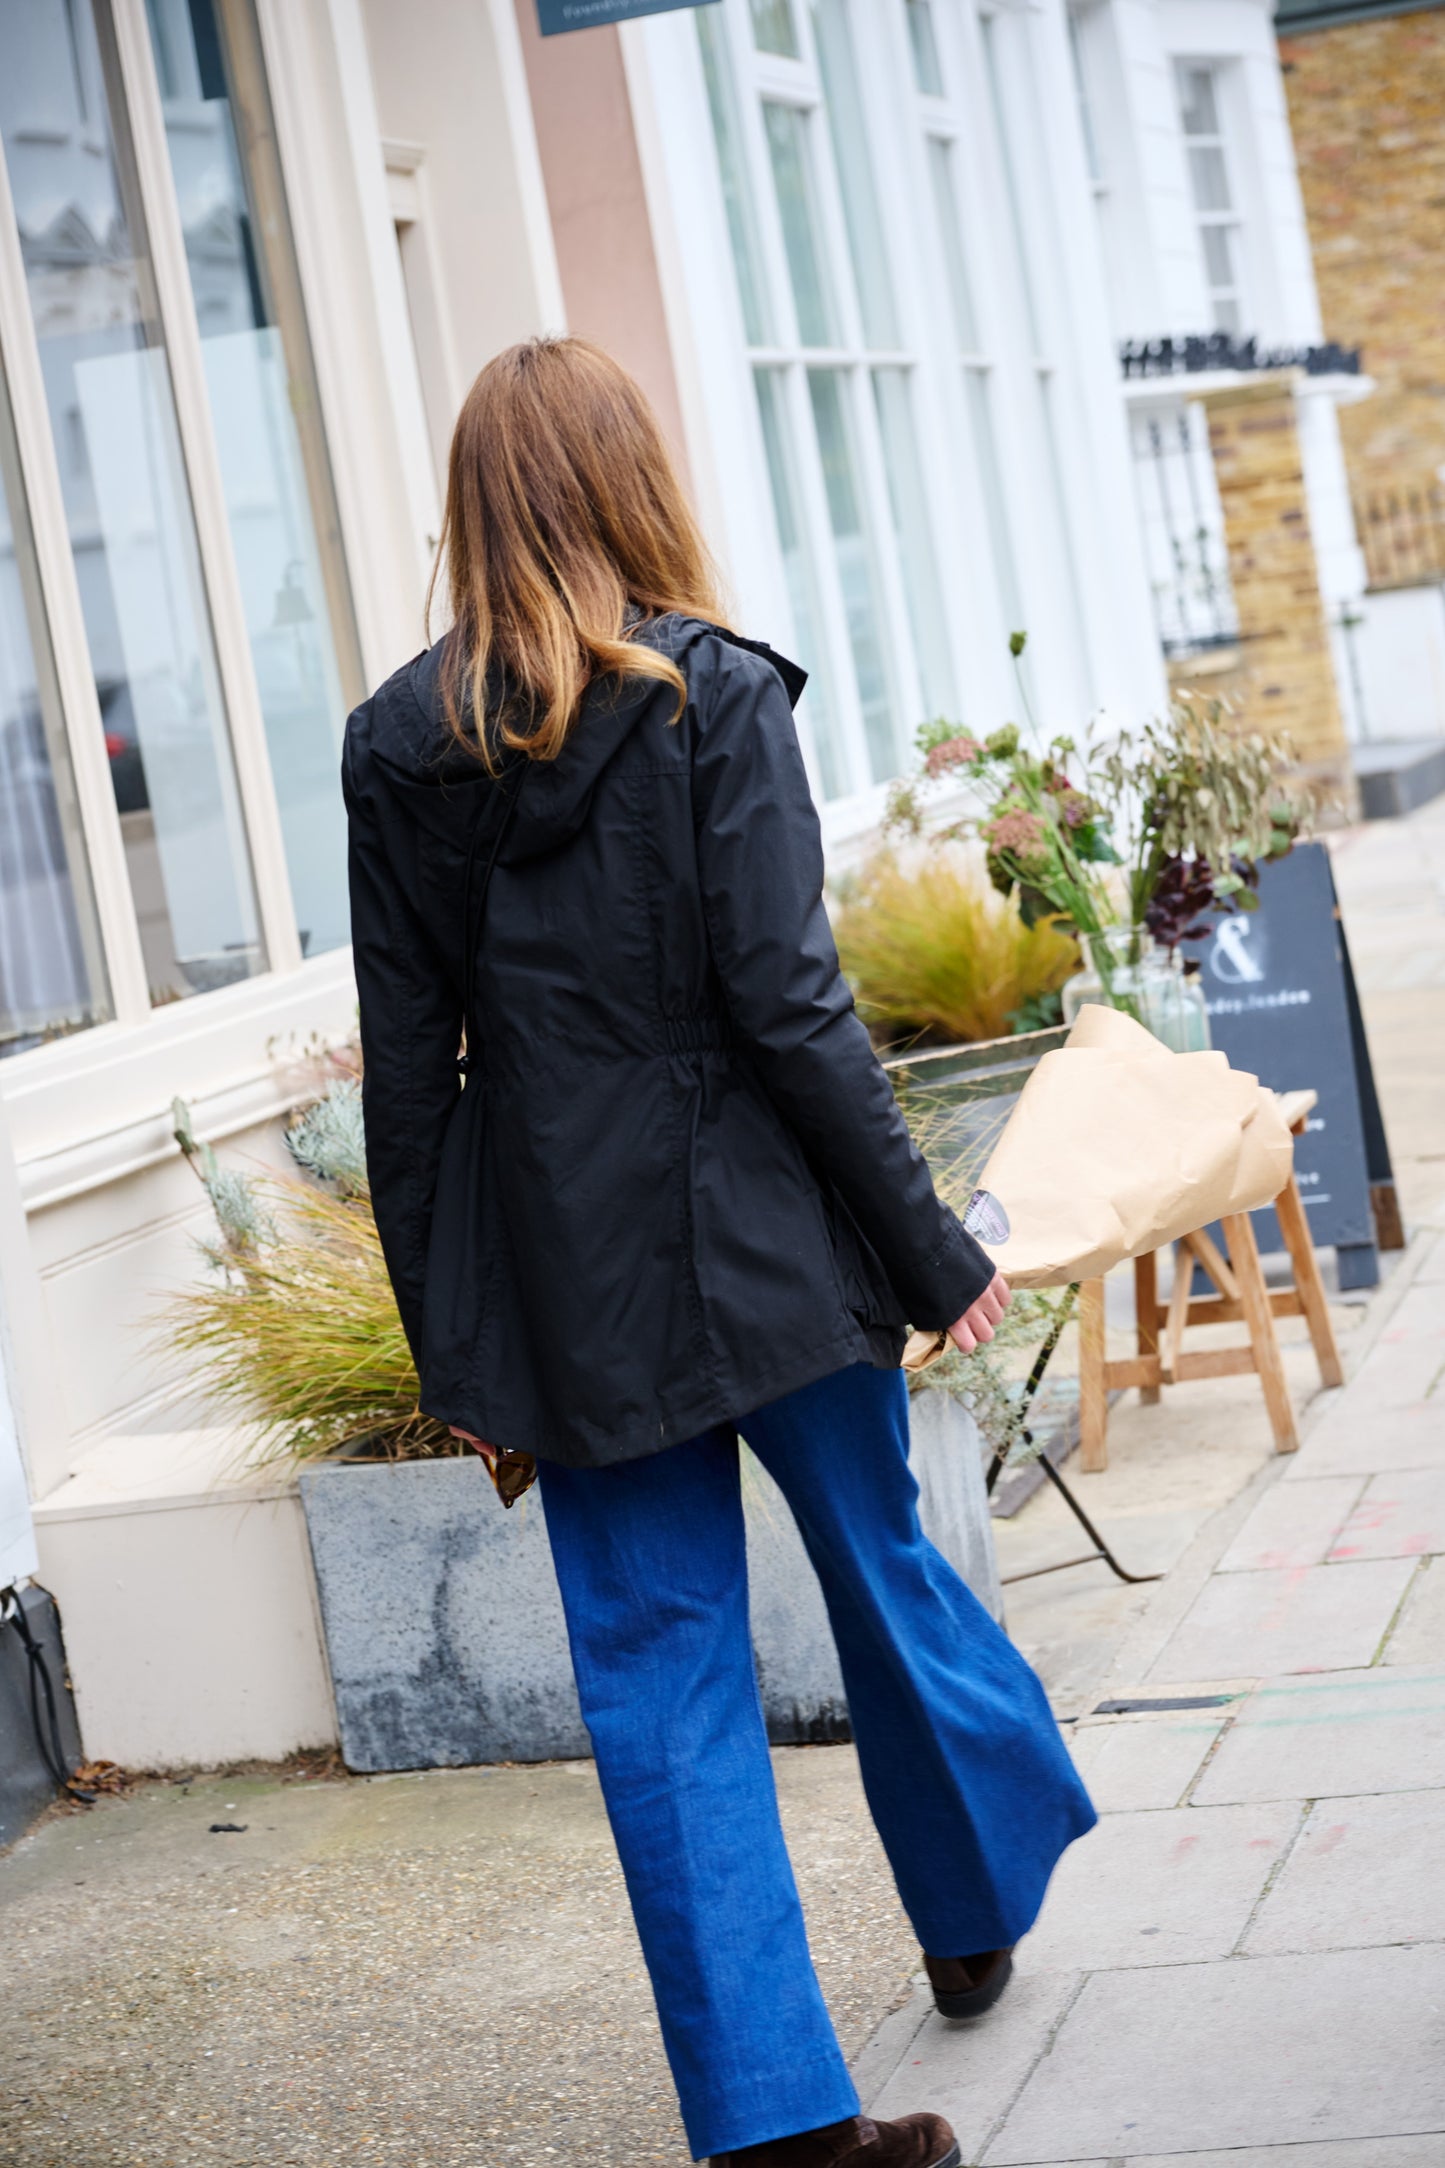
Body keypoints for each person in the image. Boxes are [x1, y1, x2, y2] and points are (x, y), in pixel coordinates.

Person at [343, 336, 1095, 2168]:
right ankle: (974, 1900)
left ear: (471, 509)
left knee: (659, 1669)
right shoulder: (715, 697)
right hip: (763, 1249)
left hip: (567, 1287)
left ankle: (773, 2128)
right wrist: (927, 1249)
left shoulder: (392, 743)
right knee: (883, 1570)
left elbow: (406, 1075)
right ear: (631, 481)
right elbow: (790, 1009)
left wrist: (456, 1343)